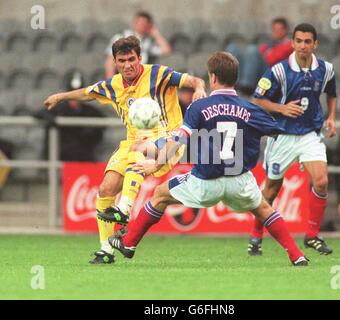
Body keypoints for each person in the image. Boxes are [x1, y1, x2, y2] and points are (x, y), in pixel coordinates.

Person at [101, 51, 309, 266]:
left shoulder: (199, 106)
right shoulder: (251, 110)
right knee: (265, 209)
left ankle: (129, 242)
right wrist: (300, 153)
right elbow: (281, 132)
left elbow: (178, 141)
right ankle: (297, 256)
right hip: (240, 181)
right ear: (235, 78)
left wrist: (156, 164)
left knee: (160, 194)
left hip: (205, 183)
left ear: (212, 77)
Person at [44, 36, 206, 264]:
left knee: (139, 152)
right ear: (116, 62)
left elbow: (194, 80)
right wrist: (60, 97)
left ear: (140, 58)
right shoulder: (114, 85)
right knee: (105, 188)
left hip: (168, 138)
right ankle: (105, 250)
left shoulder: (159, 74)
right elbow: (87, 93)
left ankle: (125, 208)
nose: (128, 65)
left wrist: (199, 89)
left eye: (132, 59)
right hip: (134, 140)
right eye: (122, 61)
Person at [248, 23, 337, 256]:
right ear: (293, 43)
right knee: (271, 190)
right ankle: (256, 236)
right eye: (299, 41)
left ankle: (312, 236)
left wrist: (332, 117)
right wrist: (281, 108)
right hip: (282, 136)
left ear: (315, 44)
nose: (303, 46)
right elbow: (257, 100)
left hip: (310, 134)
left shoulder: (325, 69)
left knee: (321, 182)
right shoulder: (278, 71)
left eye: (308, 41)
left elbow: (333, 93)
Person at [36, 71, 105, 162]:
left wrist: (90, 132)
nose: (74, 99)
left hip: (83, 158)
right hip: (62, 158)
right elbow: (39, 113)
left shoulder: (89, 111)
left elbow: (102, 122)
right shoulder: (58, 109)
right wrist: (52, 120)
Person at [227, 17, 293, 96]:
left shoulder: (289, 45)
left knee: (252, 50)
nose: (275, 32)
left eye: (279, 30)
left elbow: (271, 59)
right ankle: (230, 83)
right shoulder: (269, 45)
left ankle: (246, 87)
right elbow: (260, 53)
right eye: (274, 30)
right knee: (232, 48)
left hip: (271, 74)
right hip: (261, 70)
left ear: (285, 30)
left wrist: (261, 56)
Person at [104, 11, 172, 78]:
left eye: (143, 23)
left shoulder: (148, 42)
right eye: (138, 22)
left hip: (142, 78)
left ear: (148, 25)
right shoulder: (122, 36)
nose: (139, 25)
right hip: (123, 76)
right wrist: (110, 81)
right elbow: (110, 60)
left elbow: (166, 51)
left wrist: (155, 33)